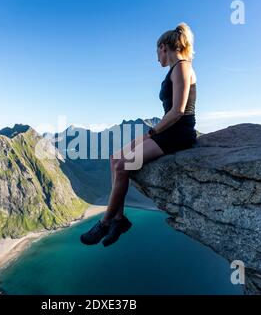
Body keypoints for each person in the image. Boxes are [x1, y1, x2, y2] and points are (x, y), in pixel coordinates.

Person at [80, 23, 198, 247]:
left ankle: (104, 223)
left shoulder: (183, 67)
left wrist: (151, 133)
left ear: (163, 47)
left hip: (178, 134)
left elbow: (178, 111)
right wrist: (149, 135)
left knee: (124, 165)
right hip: (167, 131)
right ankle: (119, 219)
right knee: (115, 158)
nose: (156, 58)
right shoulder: (175, 70)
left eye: (156, 52)